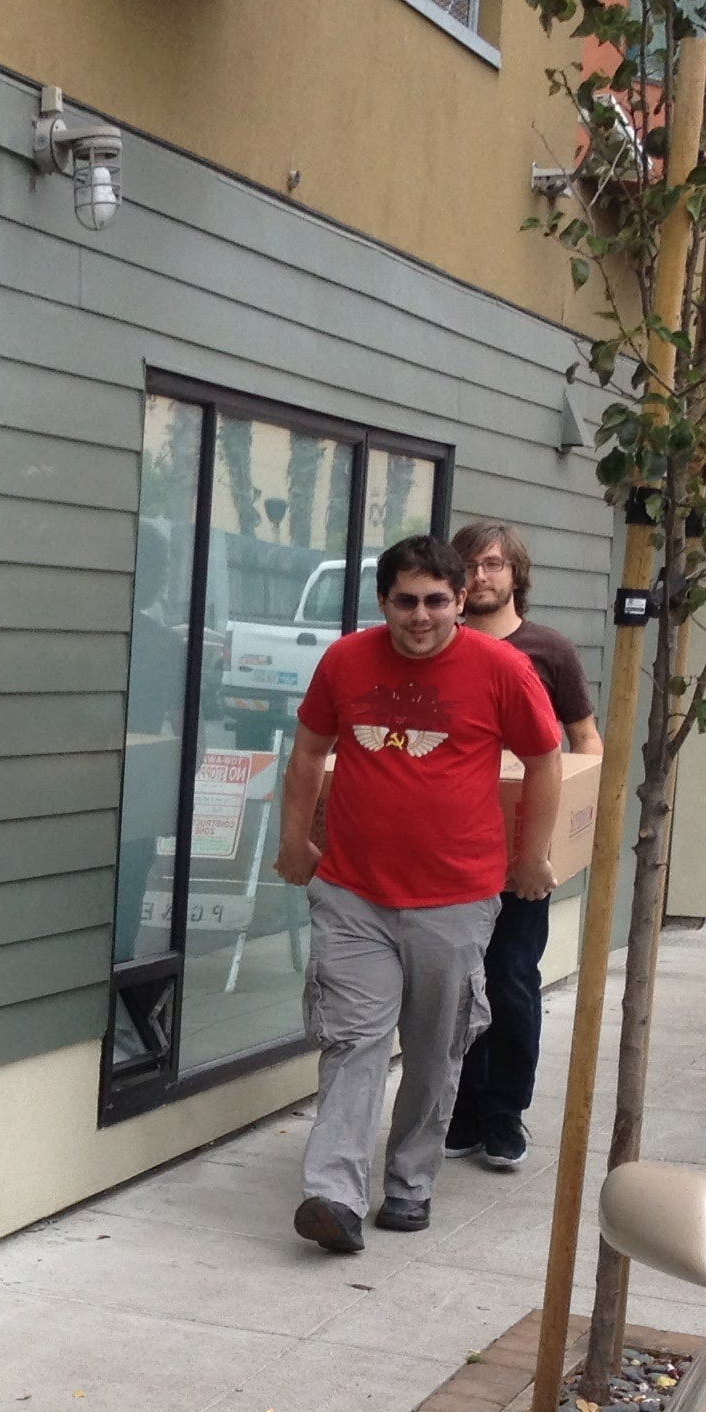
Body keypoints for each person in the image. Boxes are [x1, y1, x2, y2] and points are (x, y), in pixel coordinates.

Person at [272, 534, 562, 1256]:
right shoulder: (346, 661)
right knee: (353, 1040)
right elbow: (309, 749)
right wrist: (292, 841)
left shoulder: (502, 669)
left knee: (434, 1051)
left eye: (437, 601)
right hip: (353, 892)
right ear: (383, 601)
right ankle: (333, 1193)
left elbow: (545, 758)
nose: (421, 616)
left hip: (456, 897)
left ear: (462, 600)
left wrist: (531, 858)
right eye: (406, 601)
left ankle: (408, 1182)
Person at [443, 522, 603, 1172]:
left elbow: (585, 742)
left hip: (522, 859)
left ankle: (505, 1113)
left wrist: (571, 821)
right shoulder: (437, 648)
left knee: (509, 980)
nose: (480, 577)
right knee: (458, 985)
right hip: (448, 853)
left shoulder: (548, 650)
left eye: (492, 565)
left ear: (515, 575)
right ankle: (464, 1109)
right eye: (470, 566)